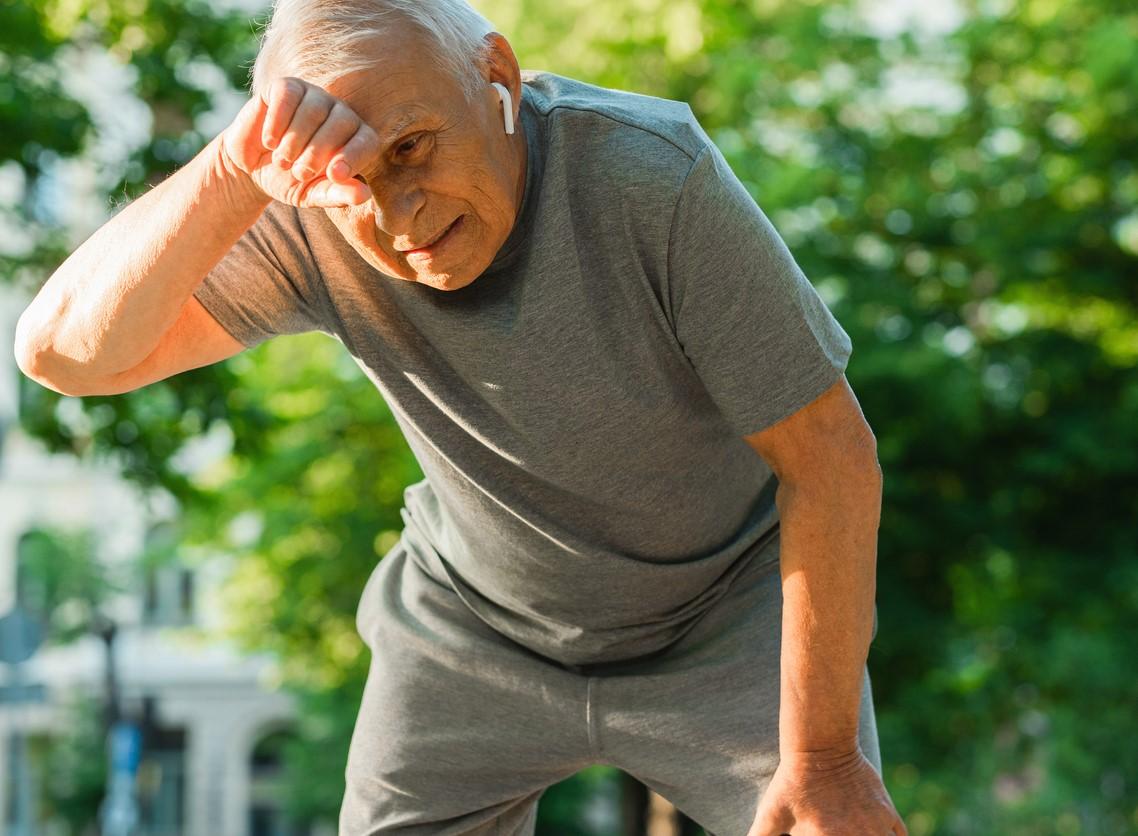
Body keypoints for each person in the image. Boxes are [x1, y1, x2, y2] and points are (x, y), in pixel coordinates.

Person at [13, 1, 907, 833]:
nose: (396, 214)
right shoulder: (315, 220)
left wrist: (823, 757)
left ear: (498, 80)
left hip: (724, 616)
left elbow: (830, 458)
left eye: (410, 147)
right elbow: (61, 355)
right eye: (352, 177)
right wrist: (233, 169)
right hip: (473, 629)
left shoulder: (650, 175)